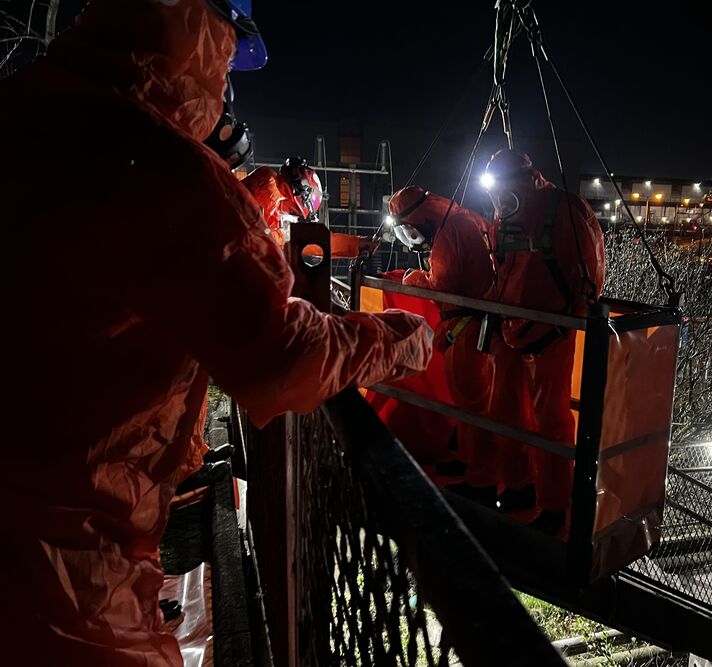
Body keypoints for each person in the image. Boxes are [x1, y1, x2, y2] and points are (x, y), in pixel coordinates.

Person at [0, 1, 432, 665]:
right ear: (197, 24)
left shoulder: (26, 108)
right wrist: (399, 338)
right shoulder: (162, 169)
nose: (229, 76)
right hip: (60, 574)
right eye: (229, 47)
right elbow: (279, 353)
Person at [481, 149, 606, 534]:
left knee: (551, 422)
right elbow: (505, 269)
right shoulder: (508, 213)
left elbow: (591, 275)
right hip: (511, 329)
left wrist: (569, 314)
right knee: (505, 411)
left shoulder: (566, 210)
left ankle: (554, 505)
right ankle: (519, 487)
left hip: (551, 332)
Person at [387, 187, 499, 497]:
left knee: (472, 405)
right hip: (469, 326)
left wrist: (413, 278)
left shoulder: (451, 231)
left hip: (466, 327)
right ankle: (468, 462)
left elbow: (442, 285)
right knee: (467, 403)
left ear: (419, 219)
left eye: (410, 229)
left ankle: (481, 480)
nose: (413, 237)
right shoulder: (460, 224)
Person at [242, 156, 373, 258]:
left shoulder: (274, 200)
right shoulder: (267, 186)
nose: (292, 215)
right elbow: (256, 239)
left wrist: (357, 244)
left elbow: (310, 242)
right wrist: (285, 236)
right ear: (301, 195)